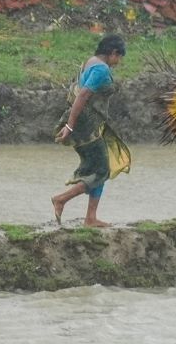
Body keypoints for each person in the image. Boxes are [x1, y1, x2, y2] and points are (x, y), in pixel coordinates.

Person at [51, 34, 131, 227]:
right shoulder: (101, 69)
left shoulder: (90, 62)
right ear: (113, 53)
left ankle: (91, 218)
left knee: (99, 167)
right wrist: (70, 126)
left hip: (86, 124)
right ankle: (61, 199)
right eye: (119, 57)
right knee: (102, 170)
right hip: (86, 126)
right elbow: (82, 96)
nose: (119, 62)